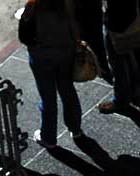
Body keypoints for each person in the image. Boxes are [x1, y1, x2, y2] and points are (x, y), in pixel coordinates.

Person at [19, 0, 84, 149]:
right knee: (67, 90)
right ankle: (75, 128)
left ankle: (48, 137)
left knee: (48, 97)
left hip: (42, 57)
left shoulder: (32, 6)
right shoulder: (66, 3)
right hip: (65, 52)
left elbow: (24, 36)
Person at [98, 0, 140, 114]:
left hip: (116, 21)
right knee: (127, 51)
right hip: (129, 14)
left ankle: (121, 99)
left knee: (117, 60)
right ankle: (134, 89)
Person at [75, 0, 109, 79]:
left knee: (91, 44)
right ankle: (102, 67)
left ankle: (97, 67)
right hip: (91, 9)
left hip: (85, 12)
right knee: (97, 42)